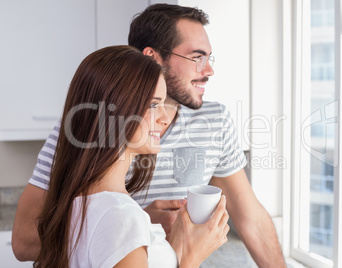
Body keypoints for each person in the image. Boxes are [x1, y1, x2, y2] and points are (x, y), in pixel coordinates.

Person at [12, 4, 286, 267]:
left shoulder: (215, 121)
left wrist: (151, 237)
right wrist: (138, 229)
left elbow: (251, 219)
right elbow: (24, 243)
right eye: (196, 57)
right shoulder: (84, 127)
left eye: (209, 58)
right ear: (151, 58)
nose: (208, 70)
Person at [33, 45, 229, 268]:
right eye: (154, 104)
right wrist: (193, 256)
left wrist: (175, 250)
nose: (165, 118)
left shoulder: (81, 203)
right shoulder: (120, 217)